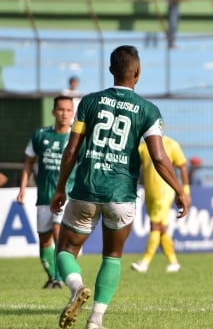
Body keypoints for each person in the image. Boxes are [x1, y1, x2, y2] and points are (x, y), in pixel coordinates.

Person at [49, 45, 191, 329]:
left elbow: (70, 151)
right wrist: (179, 189)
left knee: (64, 250)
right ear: (137, 72)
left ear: (110, 69)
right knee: (112, 256)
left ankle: (77, 287)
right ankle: (96, 320)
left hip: (86, 190)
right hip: (122, 195)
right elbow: (159, 157)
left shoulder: (88, 103)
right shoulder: (148, 111)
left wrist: (61, 187)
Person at [16, 95, 76, 289]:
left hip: (67, 195)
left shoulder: (77, 138)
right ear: (53, 112)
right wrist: (23, 189)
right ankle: (53, 277)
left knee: (59, 233)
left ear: (73, 113)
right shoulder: (40, 135)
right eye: (61, 110)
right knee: (44, 240)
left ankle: (63, 276)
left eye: (68, 110)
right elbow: (28, 163)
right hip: (44, 196)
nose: (64, 114)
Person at [131, 135, 189, 274]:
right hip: (149, 192)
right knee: (161, 229)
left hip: (165, 192)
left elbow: (182, 167)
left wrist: (185, 191)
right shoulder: (143, 147)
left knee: (154, 225)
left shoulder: (171, 144)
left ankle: (145, 261)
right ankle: (173, 262)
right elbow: (134, 166)